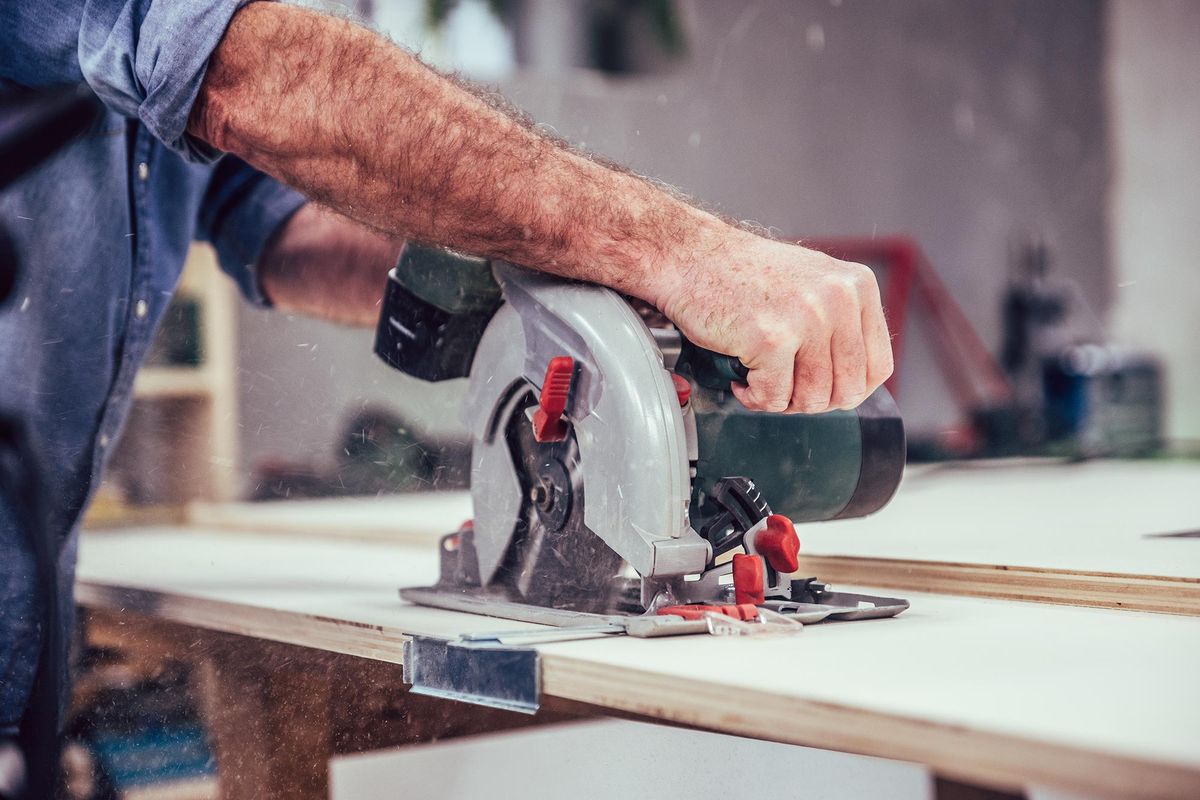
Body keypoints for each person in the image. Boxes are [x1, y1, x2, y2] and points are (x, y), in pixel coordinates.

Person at [0, 0, 893, 788]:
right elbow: (249, 73)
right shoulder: (210, 50)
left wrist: (560, 288)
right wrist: (678, 252)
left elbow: (277, 226)